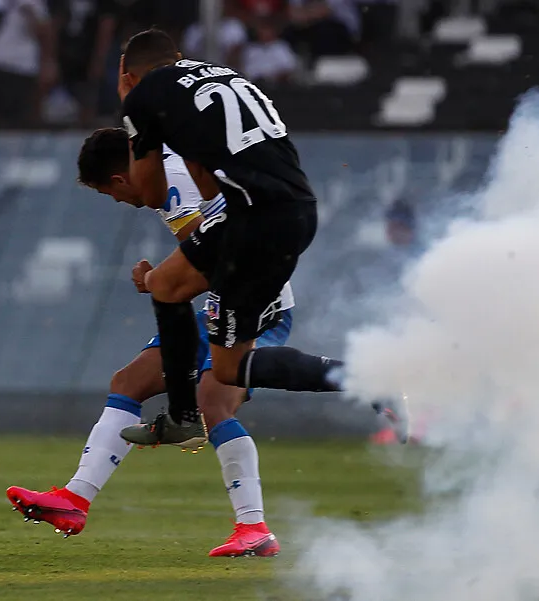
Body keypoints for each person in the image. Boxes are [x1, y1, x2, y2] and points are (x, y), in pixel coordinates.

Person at [5, 127, 293, 557]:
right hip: (226, 304)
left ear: (120, 180)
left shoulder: (171, 183)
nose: (119, 202)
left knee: (214, 404)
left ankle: (254, 528)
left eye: (110, 194)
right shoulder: (174, 169)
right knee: (129, 382)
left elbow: (218, 265)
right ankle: (75, 499)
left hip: (258, 306)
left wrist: (158, 281)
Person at [115, 29, 408, 445]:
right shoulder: (224, 75)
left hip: (257, 219)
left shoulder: (143, 97)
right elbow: (213, 177)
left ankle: (367, 378)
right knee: (164, 284)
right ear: (178, 57)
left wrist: (134, 122)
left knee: (230, 367)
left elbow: (149, 192)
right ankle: (181, 416)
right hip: (290, 208)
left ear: (128, 74)